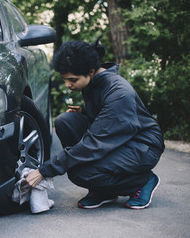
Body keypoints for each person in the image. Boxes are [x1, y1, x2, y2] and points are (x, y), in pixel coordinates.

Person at [21, 39, 165, 209]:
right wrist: (85, 112)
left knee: (80, 172)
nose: (68, 85)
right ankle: (104, 190)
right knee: (65, 121)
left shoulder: (118, 93)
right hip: (121, 138)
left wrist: (44, 170)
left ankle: (141, 181)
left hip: (142, 146)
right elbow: (110, 121)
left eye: (72, 80)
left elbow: (94, 143)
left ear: (90, 71)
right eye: (65, 79)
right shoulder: (93, 82)